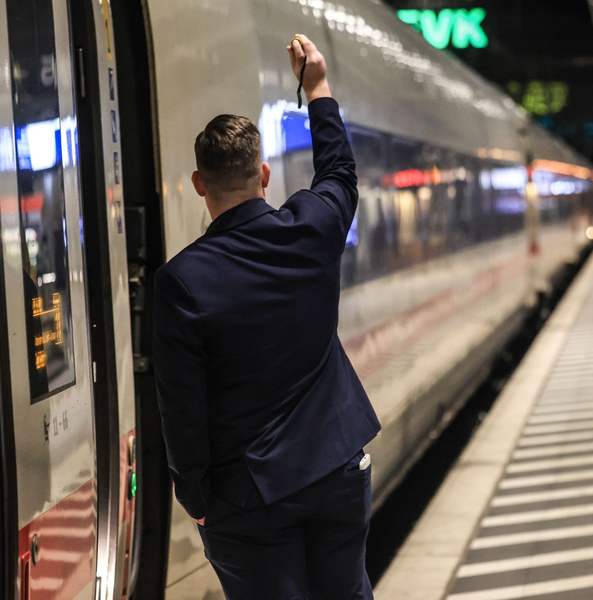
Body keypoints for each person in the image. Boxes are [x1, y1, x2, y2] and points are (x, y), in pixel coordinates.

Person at [152, 34, 381, 599]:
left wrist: (197, 500)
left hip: (248, 497)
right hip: (336, 472)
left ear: (200, 185)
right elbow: (338, 175)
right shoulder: (309, 230)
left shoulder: (182, 281)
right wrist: (318, 88)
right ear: (264, 175)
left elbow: (182, 405)